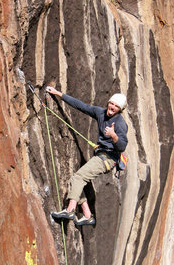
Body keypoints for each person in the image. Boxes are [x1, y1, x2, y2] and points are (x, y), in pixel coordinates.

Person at [45, 86, 128, 226]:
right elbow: (81, 106)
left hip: (107, 158)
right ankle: (88, 215)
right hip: (101, 155)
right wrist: (58, 94)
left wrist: (113, 135)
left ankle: (70, 210)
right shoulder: (100, 113)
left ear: (120, 110)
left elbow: (122, 146)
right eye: (111, 103)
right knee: (76, 181)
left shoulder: (120, 124)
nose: (112, 107)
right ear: (108, 103)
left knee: (78, 177)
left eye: (116, 106)